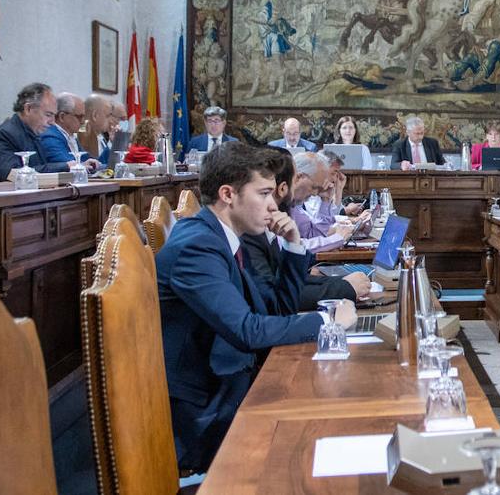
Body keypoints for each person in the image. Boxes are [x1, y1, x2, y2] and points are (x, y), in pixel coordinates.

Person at [156, 141, 354, 470]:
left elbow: (275, 311)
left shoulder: (222, 236)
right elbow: (248, 330)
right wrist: (328, 319)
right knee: (328, 422)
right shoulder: (198, 246)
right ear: (228, 194)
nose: (273, 206)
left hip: (230, 380)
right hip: (207, 410)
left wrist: (293, 246)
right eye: (262, 194)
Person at [241, 149, 370, 309]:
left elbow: (286, 281)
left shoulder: (270, 221)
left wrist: (341, 283)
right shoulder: (249, 232)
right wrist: (344, 288)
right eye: (264, 193)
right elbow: (273, 300)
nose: (317, 192)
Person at [0, 83, 70, 183]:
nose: (52, 122)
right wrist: (65, 166)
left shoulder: (33, 132)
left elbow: (40, 168)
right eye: (48, 115)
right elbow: (15, 175)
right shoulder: (2, 136)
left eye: (53, 115)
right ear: (28, 109)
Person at [39, 92, 101, 172]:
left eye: (84, 116)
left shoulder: (71, 136)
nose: (83, 121)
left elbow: (92, 162)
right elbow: (69, 165)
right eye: (79, 117)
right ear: (62, 117)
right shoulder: (50, 136)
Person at [82, 93, 115, 164]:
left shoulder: (101, 136)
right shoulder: (82, 135)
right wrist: (111, 144)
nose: (111, 121)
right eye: (108, 116)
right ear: (95, 116)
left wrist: (113, 142)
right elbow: (96, 166)